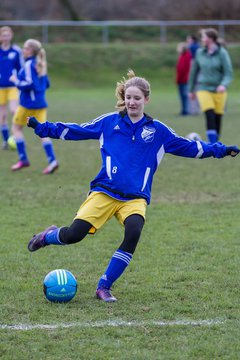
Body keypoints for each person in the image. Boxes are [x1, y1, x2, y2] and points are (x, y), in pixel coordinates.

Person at [27, 70, 239, 302]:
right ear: (123, 98)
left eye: (137, 98)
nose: (132, 102)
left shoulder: (158, 130)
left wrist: (220, 150)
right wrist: (43, 128)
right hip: (104, 192)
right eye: (128, 97)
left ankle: (104, 286)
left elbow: (190, 147)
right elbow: (76, 130)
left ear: (146, 99)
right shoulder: (109, 123)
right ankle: (47, 236)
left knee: (134, 231)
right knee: (73, 235)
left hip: (135, 197)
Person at [9, 38, 59, 174]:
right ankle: (52, 160)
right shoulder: (41, 64)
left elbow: (30, 83)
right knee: (43, 132)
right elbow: (46, 84)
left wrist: (16, 81)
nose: (23, 50)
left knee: (16, 128)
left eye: (25, 48)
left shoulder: (29, 64)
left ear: (30, 51)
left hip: (28, 104)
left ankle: (23, 159)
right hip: (41, 104)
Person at [189, 28, 233, 143]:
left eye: (203, 37)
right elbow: (193, 72)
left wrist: (223, 85)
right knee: (209, 113)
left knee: (217, 117)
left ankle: (216, 142)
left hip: (219, 90)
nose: (202, 39)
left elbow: (228, 73)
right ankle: (212, 143)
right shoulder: (199, 53)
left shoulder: (222, 53)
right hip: (203, 88)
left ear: (211, 39)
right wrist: (191, 90)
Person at [0, 26, 23, 149]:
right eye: (3, 35)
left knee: (14, 110)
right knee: (2, 116)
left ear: (11, 36)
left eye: (7, 35)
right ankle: (5, 141)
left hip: (13, 87)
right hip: (0, 88)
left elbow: (21, 69)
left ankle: (16, 136)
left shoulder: (16, 51)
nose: (5, 37)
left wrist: (20, 81)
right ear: (0, 37)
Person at [176, 42, 192, 116]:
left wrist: (180, 78)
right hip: (181, 79)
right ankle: (183, 110)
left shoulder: (187, 56)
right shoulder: (182, 55)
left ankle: (186, 110)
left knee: (185, 96)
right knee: (182, 96)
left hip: (185, 79)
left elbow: (183, 69)